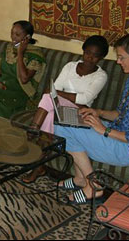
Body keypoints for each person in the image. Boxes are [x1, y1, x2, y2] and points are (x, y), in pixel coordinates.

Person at [55, 32, 129, 205]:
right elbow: (121, 113)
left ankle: (93, 186)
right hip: (119, 133)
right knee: (69, 120)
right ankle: (80, 178)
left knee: (62, 128)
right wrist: (98, 112)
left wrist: (103, 129)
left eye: (122, 57)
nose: (118, 62)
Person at [23, 34, 109, 183]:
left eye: (95, 56)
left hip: (80, 113)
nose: (90, 58)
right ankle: (39, 166)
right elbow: (55, 88)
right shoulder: (70, 66)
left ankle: (33, 130)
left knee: (47, 97)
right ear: (83, 51)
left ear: (101, 57)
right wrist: (56, 93)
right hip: (58, 108)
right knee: (49, 114)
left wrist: (58, 94)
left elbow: (85, 99)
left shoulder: (101, 76)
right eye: (87, 53)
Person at [0, 20, 46, 118]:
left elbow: (24, 79)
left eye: (17, 34)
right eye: (12, 33)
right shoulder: (9, 49)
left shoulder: (35, 56)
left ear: (27, 37)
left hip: (19, 92)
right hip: (2, 88)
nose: (13, 37)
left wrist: (20, 53)